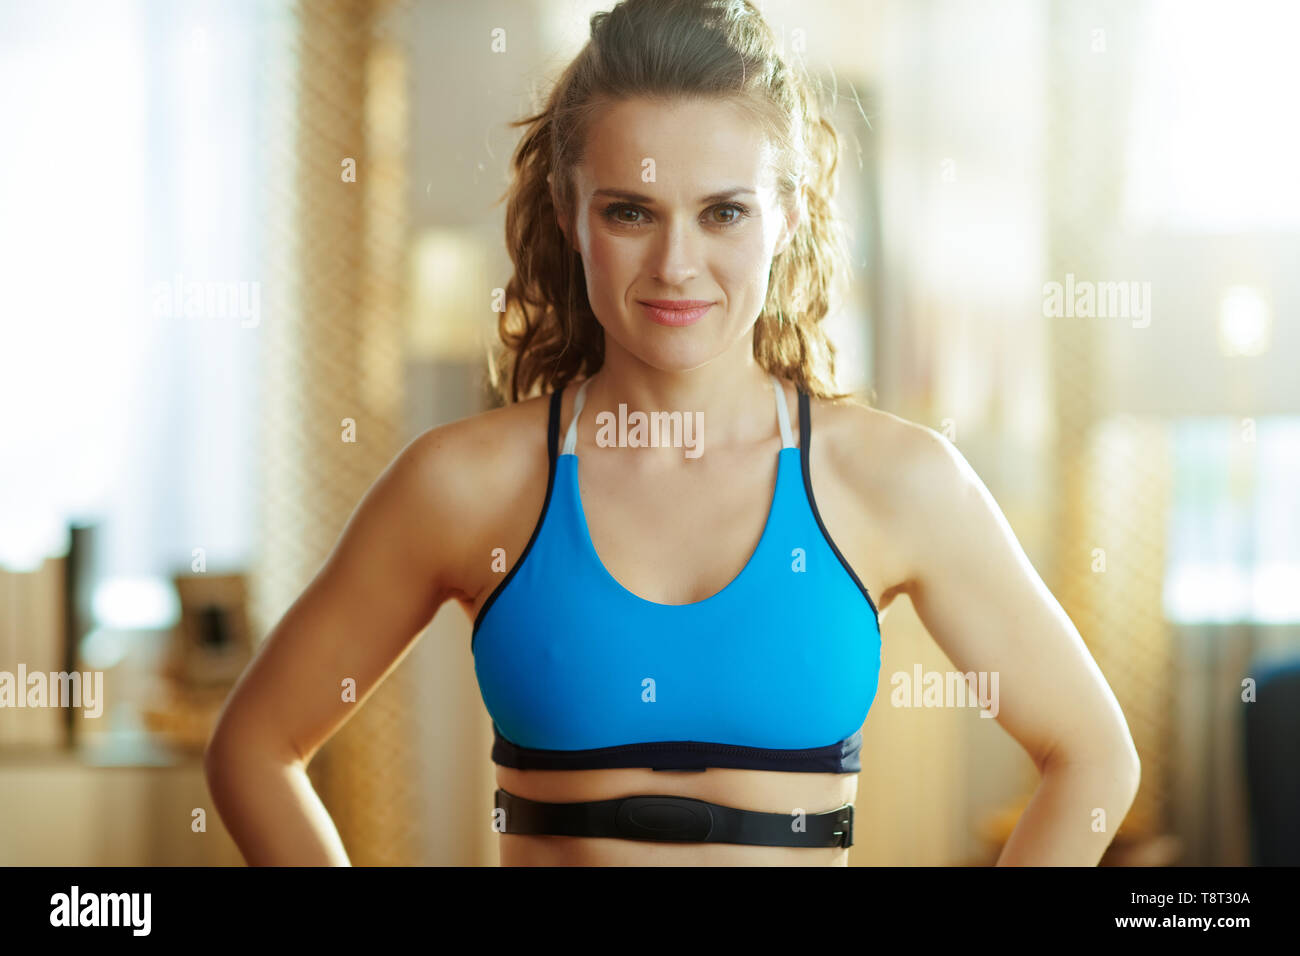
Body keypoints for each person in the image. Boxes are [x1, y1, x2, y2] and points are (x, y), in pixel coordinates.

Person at [205, 0, 1140, 867]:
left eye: (723, 211)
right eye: (630, 212)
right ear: (571, 215)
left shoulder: (896, 480)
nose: (676, 266)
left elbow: (1094, 760)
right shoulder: (465, 483)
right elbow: (253, 750)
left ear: (790, 215)